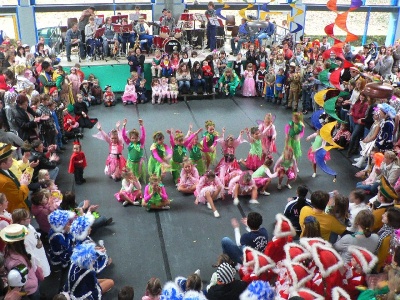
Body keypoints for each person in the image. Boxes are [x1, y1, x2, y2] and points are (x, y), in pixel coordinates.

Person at [1, 224, 42, 299]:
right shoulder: (18, 261)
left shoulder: (7, 250)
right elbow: (21, 282)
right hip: (29, 291)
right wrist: (34, 282)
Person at [12, 209, 51, 278]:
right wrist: (37, 268)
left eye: (29, 216)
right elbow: (30, 256)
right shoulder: (22, 238)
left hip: (39, 252)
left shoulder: (28, 226)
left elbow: (34, 235)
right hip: (36, 261)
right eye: (26, 218)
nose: (30, 218)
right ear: (20, 221)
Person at [0, 144, 30, 213]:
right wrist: (24, 184)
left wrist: (20, 180)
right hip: (17, 210)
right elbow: (19, 198)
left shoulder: (5, 169)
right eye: (10, 160)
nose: (13, 161)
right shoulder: (5, 182)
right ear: (3, 164)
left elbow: (12, 183)